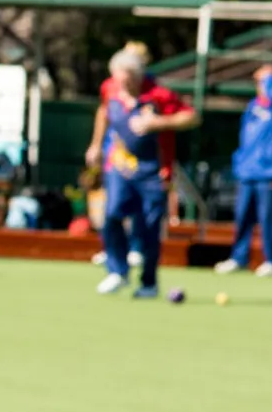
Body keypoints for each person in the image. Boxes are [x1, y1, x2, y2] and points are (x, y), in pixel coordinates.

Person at [85, 48, 198, 297]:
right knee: (112, 215)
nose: (122, 87)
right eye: (118, 81)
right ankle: (117, 271)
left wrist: (158, 123)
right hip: (119, 166)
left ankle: (149, 283)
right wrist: (96, 144)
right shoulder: (110, 88)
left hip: (153, 172)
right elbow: (104, 111)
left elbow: (191, 117)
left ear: (138, 78)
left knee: (148, 227)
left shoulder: (159, 94)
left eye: (127, 82)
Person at [216, 64, 272, 277]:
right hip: (247, 171)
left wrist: (269, 77)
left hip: (269, 172)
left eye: (264, 82)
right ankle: (239, 257)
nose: (260, 86)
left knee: (268, 218)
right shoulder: (252, 106)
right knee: (242, 216)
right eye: (258, 82)